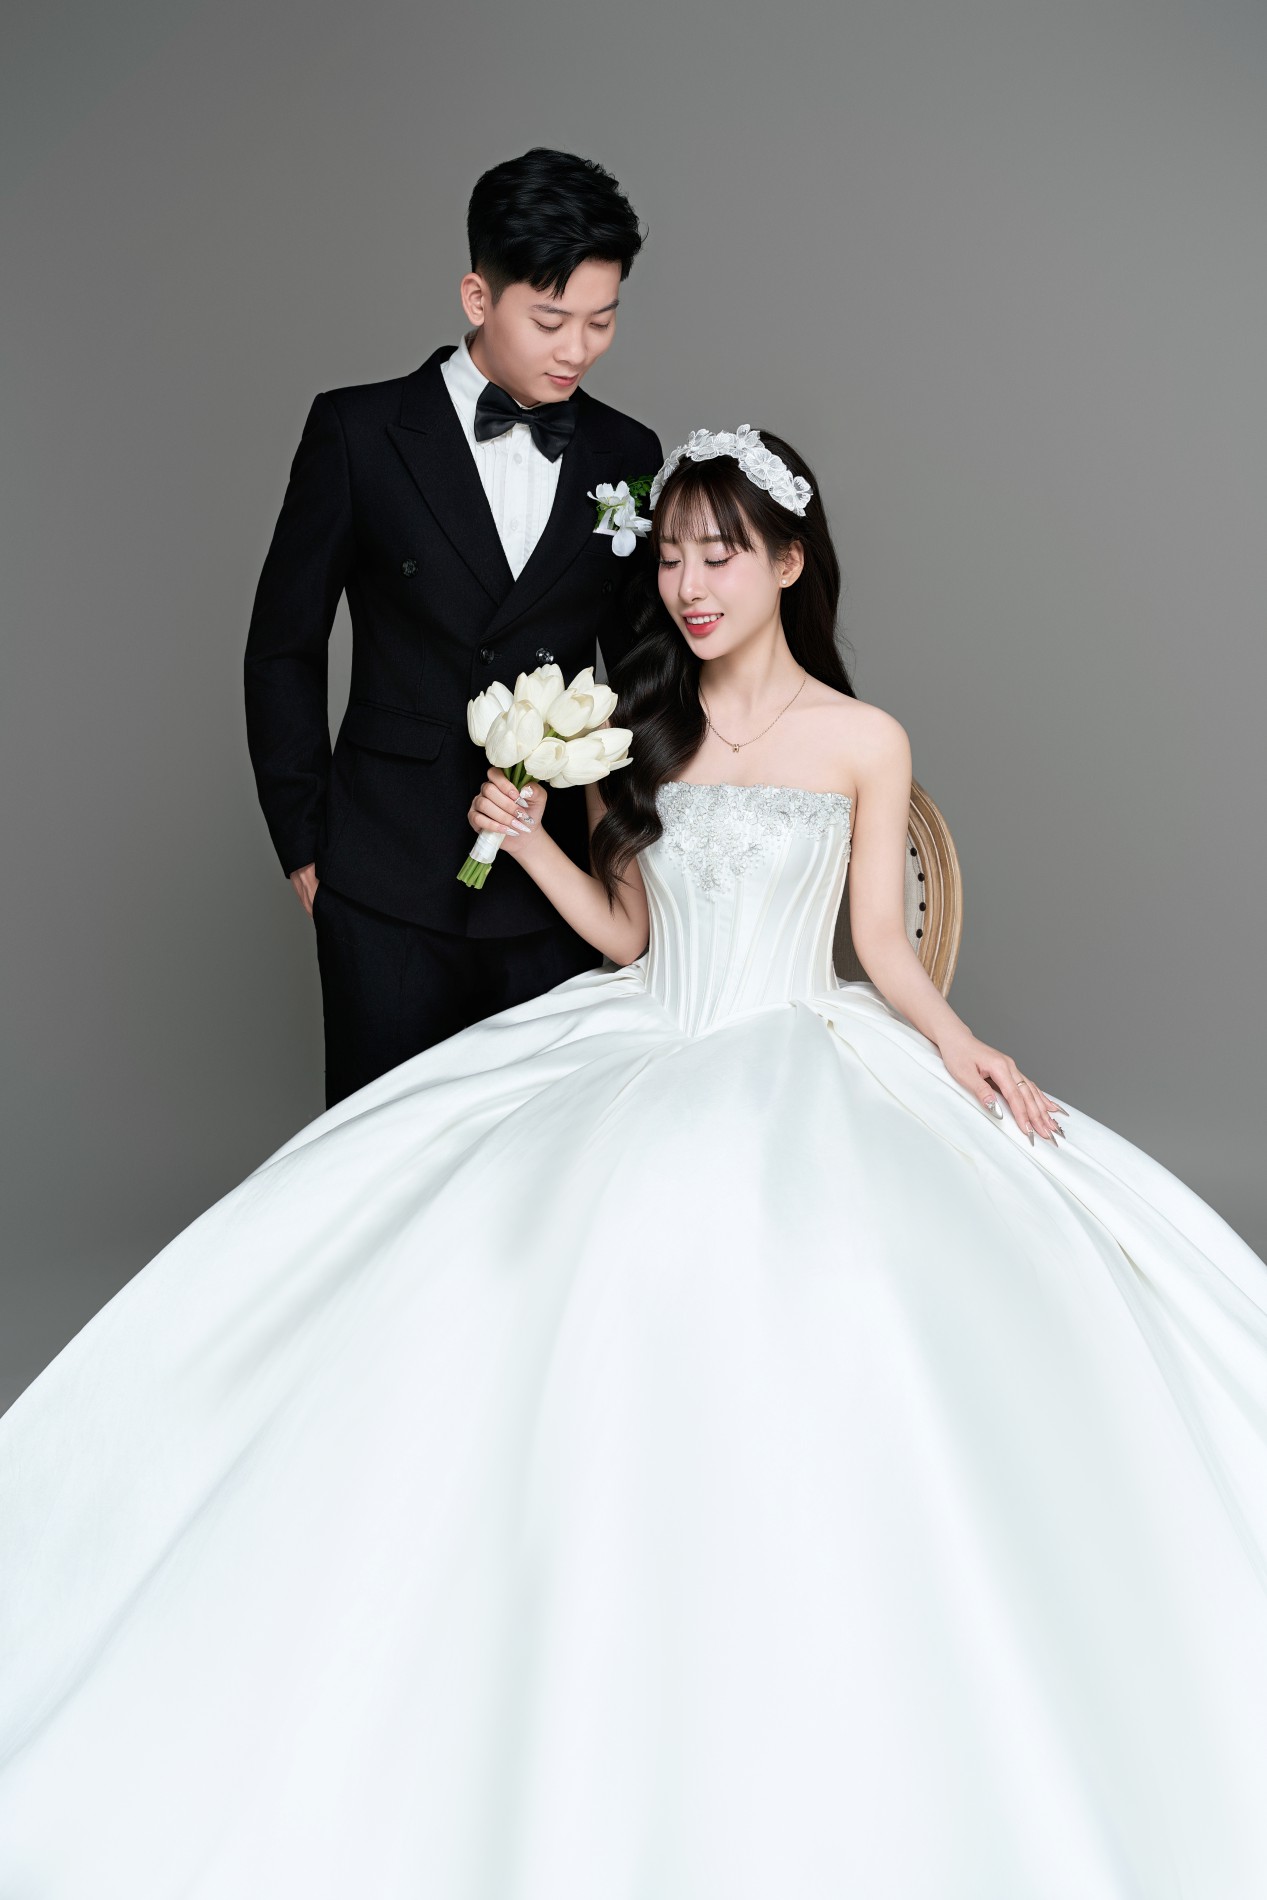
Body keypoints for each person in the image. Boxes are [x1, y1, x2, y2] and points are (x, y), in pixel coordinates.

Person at [4, 424, 1267, 1897]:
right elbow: (627, 937)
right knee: (490, 1245)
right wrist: (533, 839)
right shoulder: (634, 729)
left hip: (796, 1036)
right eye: (668, 556)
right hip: (643, 1026)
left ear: (788, 562)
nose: (688, 585)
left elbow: (875, 945)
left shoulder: (863, 741)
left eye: (719, 554)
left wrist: (960, 1043)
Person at [244, 146, 662, 1105]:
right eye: (550, 320)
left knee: (542, 1162)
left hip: (554, 884)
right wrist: (306, 847)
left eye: (601, 320)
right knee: (379, 1156)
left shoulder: (625, 451)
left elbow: (645, 671)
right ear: (478, 297)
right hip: (383, 876)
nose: (577, 349)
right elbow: (282, 647)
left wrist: (633, 862)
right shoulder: (358, 431)